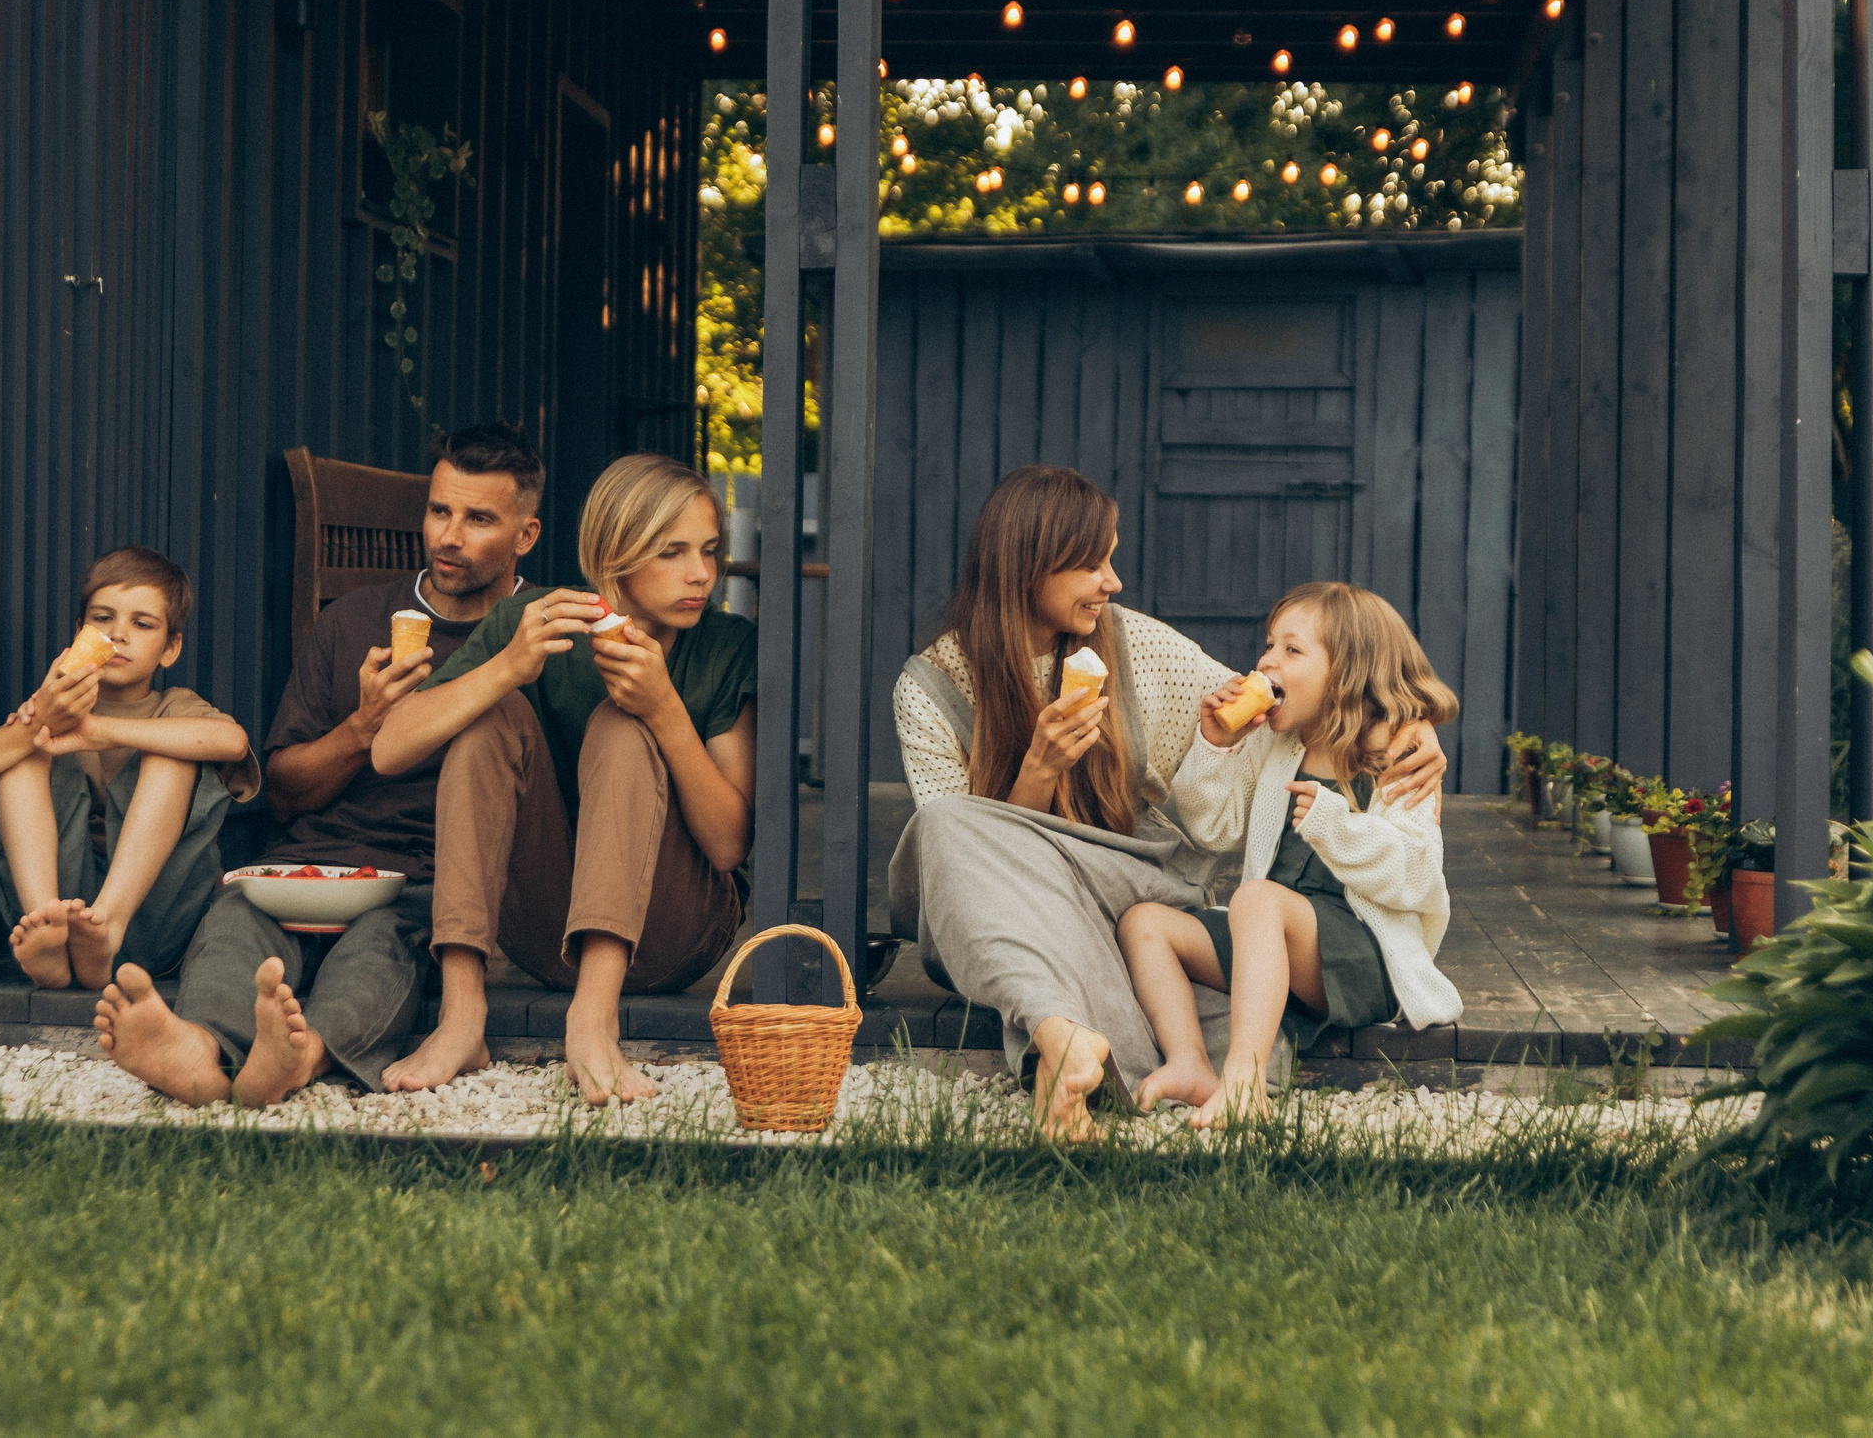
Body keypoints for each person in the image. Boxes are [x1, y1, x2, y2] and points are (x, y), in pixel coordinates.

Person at [886, 466, 1448, 1140]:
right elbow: (962, 872)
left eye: (1111, 557)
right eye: (1092, 563)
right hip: (1023, 910)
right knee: (945, 825)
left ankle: (1062, 1033)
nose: (1113, 581)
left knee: (1183, 939)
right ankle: (1066, 1029)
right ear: (1027, 567)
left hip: (1125, 885)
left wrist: (1403, 723)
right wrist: (1038, 770)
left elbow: (1276, 706)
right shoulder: (928, 691)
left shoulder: (1132, 643)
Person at [91, 422, 545, 1106]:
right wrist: (361, 728)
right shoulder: (356, 620)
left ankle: (300, 1056)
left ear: (525, 536)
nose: (449, 535)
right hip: (314, 859)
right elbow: (283, 790)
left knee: (382, 950)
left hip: (428, 878)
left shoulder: (537, 634)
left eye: (478, 518)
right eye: (439, 510)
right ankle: (199, 1047)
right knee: (236, 917)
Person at [372, 453, 757, 1102]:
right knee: (486, 717)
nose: (701, 574)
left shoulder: (725, 643)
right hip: (543, 932)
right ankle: (462, 1014)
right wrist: (505, 668)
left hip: (677, 929)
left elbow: (727, 845)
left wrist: (662, 709)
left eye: (710, 551)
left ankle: (593, 1018)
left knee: (622, 722)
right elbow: (388, 750)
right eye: (672, 553)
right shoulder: (537, 621)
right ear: (615, 554)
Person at [1119, 582, 1464, 1126]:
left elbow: (1417, 875)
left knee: (1255, 900)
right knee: (1145, 924)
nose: (1266, 660)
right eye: (1268, 644)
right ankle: (1188, 1062)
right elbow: (1214, 828)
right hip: (1270, 942)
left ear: (1348, 671)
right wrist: (1214, 744)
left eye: (1291, 649)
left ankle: (1244, 1082)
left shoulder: (1396, 755)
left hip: (1362, 959)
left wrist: (1336, 826)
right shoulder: (1278, 743)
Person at [0, 547, 259, 993]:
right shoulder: (52, 707)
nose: (118, 634)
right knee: (24, 754)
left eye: (142, 624)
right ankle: (46, 931)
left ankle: (108, 925)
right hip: (65, 914)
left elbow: (233, 742)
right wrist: (38, 725)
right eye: (102, 619)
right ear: (79, 632)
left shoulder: (174, 706)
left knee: (172, 751)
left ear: (170, 648)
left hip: (157, 918)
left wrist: (98, 730)